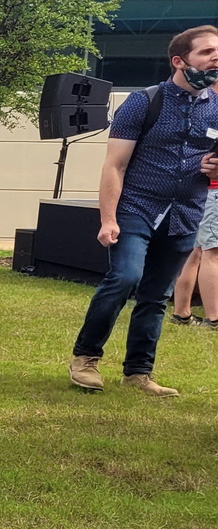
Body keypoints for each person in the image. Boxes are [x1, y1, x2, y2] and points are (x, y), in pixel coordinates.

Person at [68, 25, 218, 397]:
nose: (216, 59)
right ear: (179, 61)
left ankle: (138, 373)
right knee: (125, 277)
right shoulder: (143, 101)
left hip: (185, 213)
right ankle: (85, 358)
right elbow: (113, 165)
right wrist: (107, 218)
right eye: (207, 53)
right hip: (136, 207)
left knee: (156, 296)